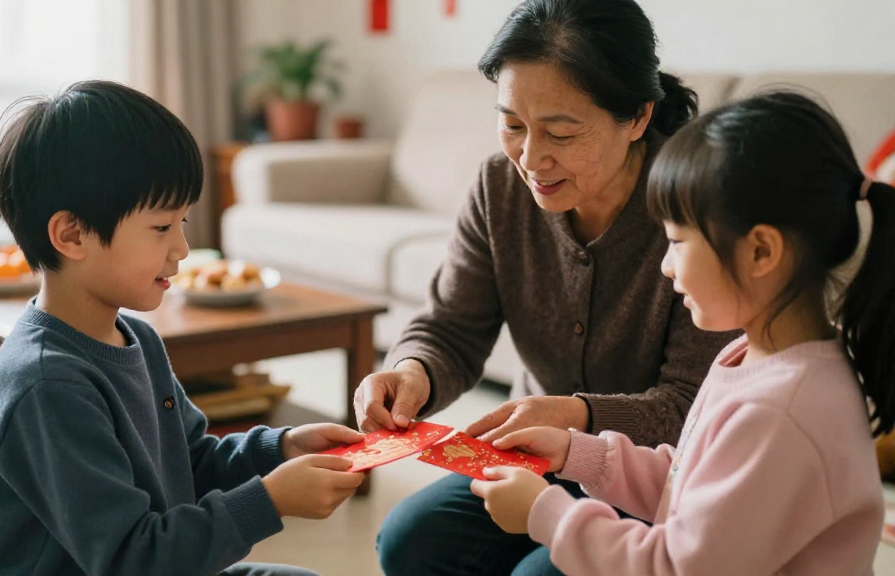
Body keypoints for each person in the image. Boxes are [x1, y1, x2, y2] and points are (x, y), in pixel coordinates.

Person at [361, 0, 739, 574]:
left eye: (561, 132)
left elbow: (693, 406)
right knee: (409, 540)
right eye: (513, 125)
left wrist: (578, 416)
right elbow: (451, 326)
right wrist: (413, 371)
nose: (532, 159)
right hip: (533, 451)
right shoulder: (499, 187)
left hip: (660, 470)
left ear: (638, 117)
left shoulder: (694, 209)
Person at [472, 91, 890, 574]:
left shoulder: (780, 411)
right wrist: (576, 453)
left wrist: (546, 513)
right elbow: (689, 480)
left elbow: (676, 566)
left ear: (760, 252)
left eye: (677, 242)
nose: (667, 267)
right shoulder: (757, 356)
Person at [0, 80, 366, 576]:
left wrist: (278, 449)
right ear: (72, 234)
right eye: (161, 228)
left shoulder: (138, 340)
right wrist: (269, 501)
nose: (181, 248)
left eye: (183, 223)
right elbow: (130, 559)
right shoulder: (47, 384)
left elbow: (188, 463)